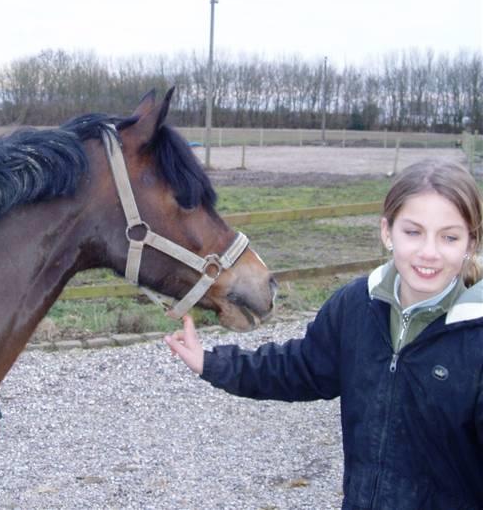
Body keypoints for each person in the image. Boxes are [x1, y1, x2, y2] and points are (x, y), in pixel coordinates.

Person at [165, 158, 483, 509]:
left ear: (471, 242)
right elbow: (299, 367)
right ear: (386, 232)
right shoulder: (356, 306)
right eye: (413, 232)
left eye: (449, 237)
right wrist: (211, 363)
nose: (429, 252)